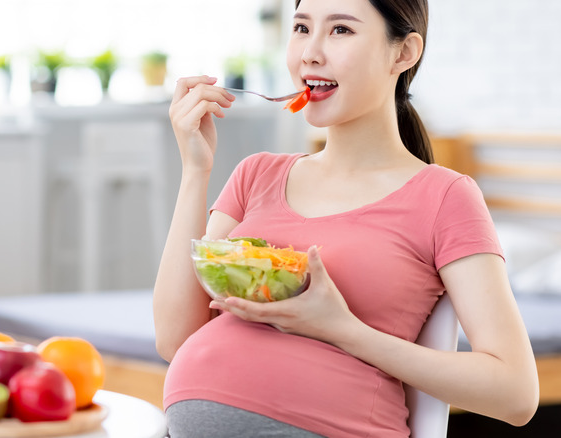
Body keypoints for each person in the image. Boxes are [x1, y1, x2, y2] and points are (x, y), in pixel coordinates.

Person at [152, 0, 539, 436]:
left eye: (340, 31)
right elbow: (174, 338)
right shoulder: (256, 174)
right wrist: (195, 170)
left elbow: (516, 394)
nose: (310, 52)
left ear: (404, 53)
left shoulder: (445, 196)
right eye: (301, 27)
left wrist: (343, 330)